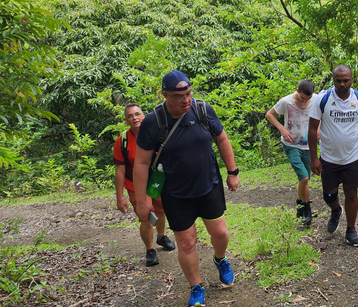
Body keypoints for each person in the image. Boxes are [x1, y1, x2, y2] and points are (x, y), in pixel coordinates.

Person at [133, 71, 240, 307]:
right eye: (178, 96)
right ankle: (196, 287)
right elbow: (140, 163)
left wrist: (232, 172)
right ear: (164, 95)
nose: (185, 100)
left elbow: (222, 139)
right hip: (175, 194)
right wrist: (143, 201)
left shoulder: (202, 110)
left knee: (220, 234)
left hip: (208, 185)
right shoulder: (153, 122)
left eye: (188, 93)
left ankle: (220, 259)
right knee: (187, 243)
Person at [308, 64, 358, 247]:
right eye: (338, 81)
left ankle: (351, 230)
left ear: (351, 79)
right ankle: (335, 211)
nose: (342, 84)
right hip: (329, 158)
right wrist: (313, 158)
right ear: (333, 80)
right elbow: (311, 128)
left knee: (351, 192)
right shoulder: (322, 99)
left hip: (353, 157)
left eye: (345, 80)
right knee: (329, 196)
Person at [113, 102, 176, 267]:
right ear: (126, 120)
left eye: (137, 114)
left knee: (160, 211)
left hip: (157, 181)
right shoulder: (122, 141)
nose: (134, 118)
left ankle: (161, 236)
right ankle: (150, 250)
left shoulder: (156, 134)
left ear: (143, 116)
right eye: (130, 116)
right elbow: (120, 170)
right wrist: (120, 197)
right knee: (146, 218)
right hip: (135, 185)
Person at [266, 79, 318, 225]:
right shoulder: (286, 101)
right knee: (304, 178)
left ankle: (301, 208)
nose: (306, 101)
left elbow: (321, 115)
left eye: (308, 98)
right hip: (291, 145)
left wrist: (319, 130)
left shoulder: (316, 99)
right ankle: (306, 211)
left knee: (305, 178)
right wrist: (282, 129)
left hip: (308, 145)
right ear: (297, 90)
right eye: (303, 98)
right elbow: (269, 114)